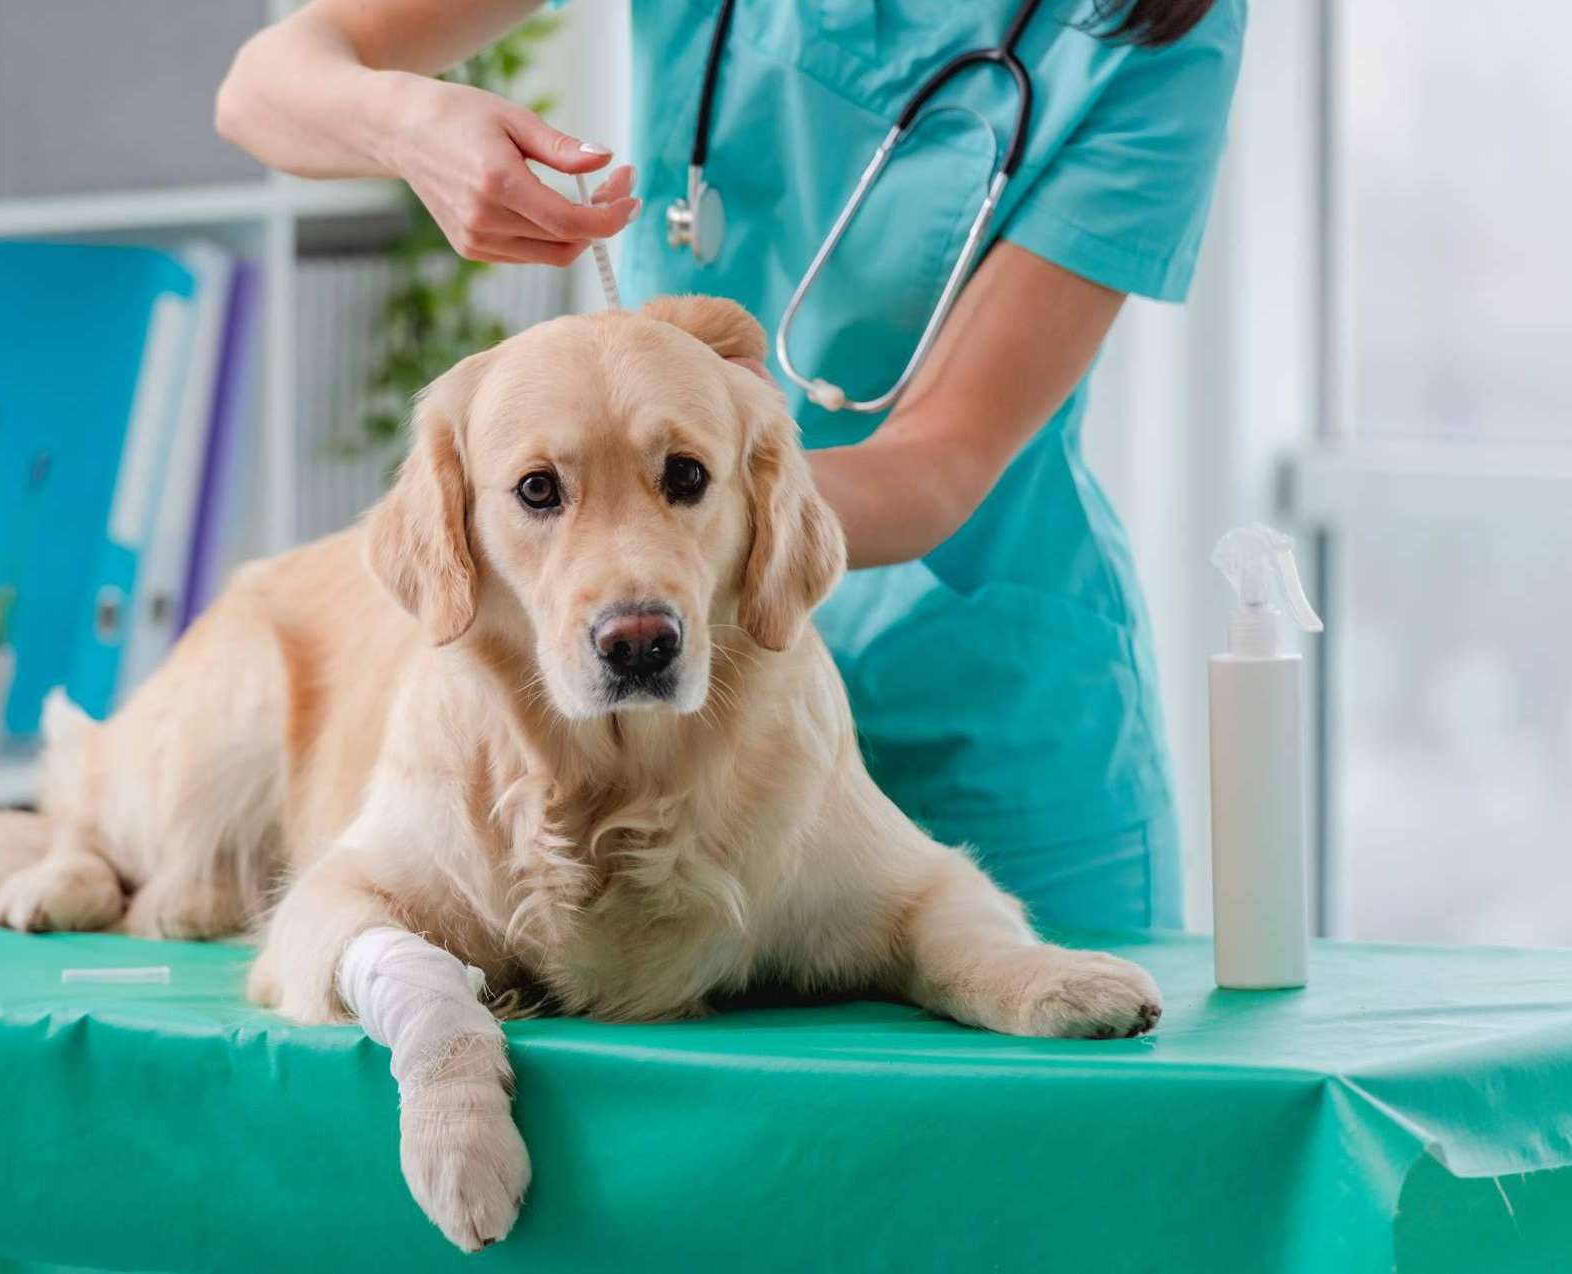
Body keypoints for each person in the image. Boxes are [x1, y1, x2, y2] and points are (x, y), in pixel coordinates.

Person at [216, 0, 1245, 932]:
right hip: (647, 746)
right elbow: (266, 86)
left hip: (993, 727)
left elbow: (939, 462)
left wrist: (699, 488)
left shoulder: (1152, 28)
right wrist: (412, 127)